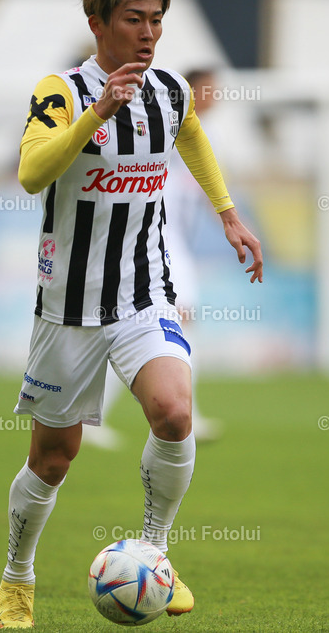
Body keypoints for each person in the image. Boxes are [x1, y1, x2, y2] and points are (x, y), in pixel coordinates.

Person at [0, 0, 264, 629]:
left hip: (145, 294)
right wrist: (98, 113)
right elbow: (31, 173)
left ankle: (154, 553)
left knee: (174, 412)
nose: (148, 34)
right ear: (98, 24)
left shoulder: (170, 90)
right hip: (69, 308)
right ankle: (18, 575)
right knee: (52, 459)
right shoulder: (61, 91)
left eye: (156, 21)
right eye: (133, 20)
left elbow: (191, 134)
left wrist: (228, 213)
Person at [84, 68, 225, 451]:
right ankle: (92, 415)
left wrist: (227, 217)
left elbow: (200, 190)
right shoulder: (167, 125)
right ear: (192, 91)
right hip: (159, 238)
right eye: (209, 89)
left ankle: (183, 411)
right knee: (169, 320)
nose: (216, 96)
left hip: (175, 242)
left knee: (176, 322)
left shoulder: (201, 135)